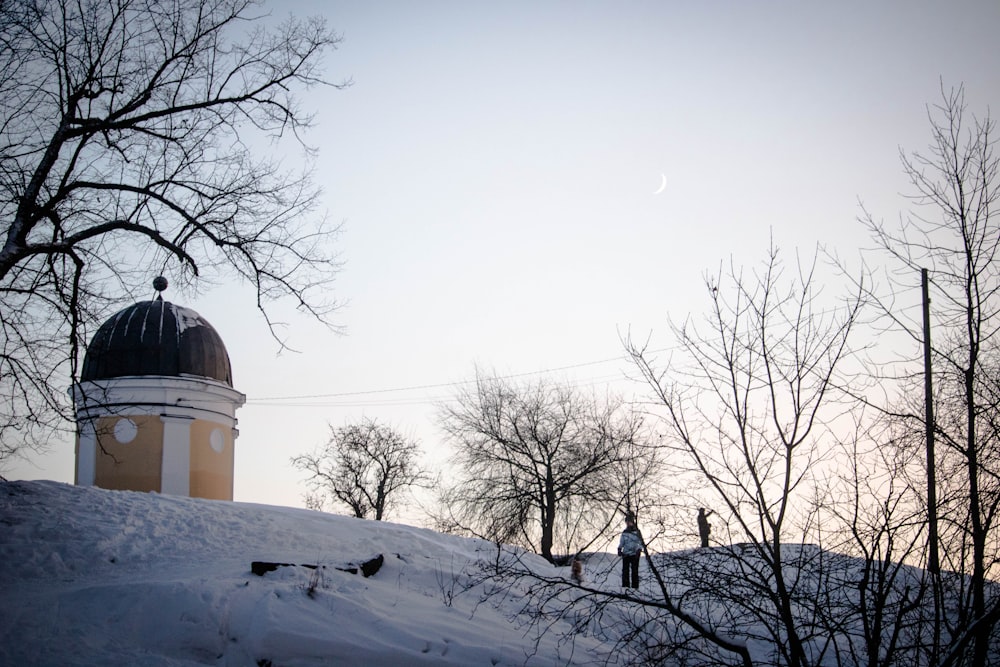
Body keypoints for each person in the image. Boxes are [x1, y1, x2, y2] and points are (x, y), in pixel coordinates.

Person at [617, 512, 643, 589]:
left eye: (629, 521)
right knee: (625, 571)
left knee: (634, 571)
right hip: (626, 554)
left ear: (632, 521)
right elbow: (622, 542)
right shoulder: (624, 532)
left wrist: (639, 550)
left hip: (635, 554)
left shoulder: (637, 532)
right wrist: (619, 549)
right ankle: (625, 586)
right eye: (626, 522)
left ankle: (635, 587)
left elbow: (640, 542)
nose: (628, 523)